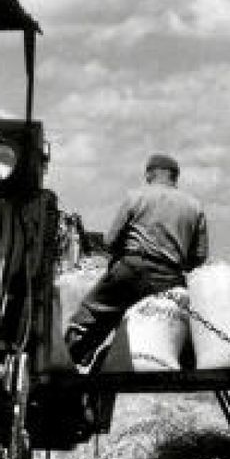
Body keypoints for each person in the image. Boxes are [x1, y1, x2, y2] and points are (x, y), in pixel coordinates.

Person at [65, 154, 209, 370]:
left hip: (133, 269)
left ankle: (74, 357)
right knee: (180, 317)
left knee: (95, 310)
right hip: (170, 278)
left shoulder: (136, 197)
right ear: (174, 176)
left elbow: (111, 241)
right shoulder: (194, 206)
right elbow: (199, 255)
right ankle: (183, 359)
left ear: (150, 173)